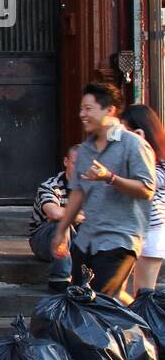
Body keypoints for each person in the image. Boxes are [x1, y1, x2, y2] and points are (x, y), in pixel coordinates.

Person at [53, 82, 155, 303]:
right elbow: (78, 193)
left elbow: (146, 189)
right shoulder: (86, 149)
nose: (82, 114)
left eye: (89, 109)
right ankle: (139, 332)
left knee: (99, 302)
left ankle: (141, 332)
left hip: (120, 238)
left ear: (110, 110)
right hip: (88, 238)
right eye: (81, 109)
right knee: (79, 300)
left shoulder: (133, 144)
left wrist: (110, 177)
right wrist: (61, 231)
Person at [120, 103, 165, 293]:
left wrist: (141, 148)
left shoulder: (159, 162)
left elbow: (147, 184)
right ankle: (135, 322)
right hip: (128, 230)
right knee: (114, 292)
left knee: (143, 295)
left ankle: (144, 323)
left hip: (152, 231)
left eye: (127, 133)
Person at [28, 146, 81, 292]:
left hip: (76, 240)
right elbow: (54, 213)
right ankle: (60, 282)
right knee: (61, 224)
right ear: (66, 161)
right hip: (43, 240)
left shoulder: (93, 188)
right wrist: (80, 215)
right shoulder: (51, 185)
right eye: (75, 164)